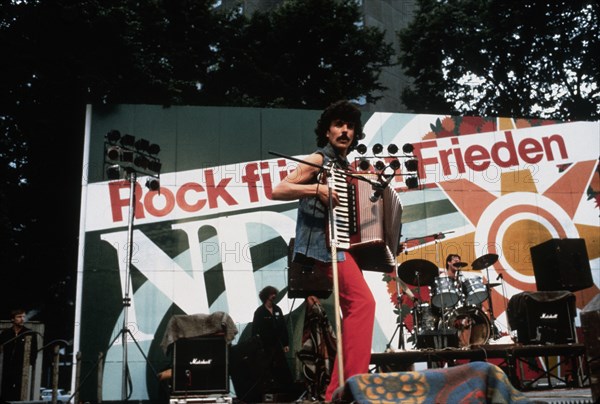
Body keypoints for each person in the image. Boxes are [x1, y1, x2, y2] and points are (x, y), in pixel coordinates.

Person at [272, 100, 376, 401]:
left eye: (350, 126)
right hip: (323, 247)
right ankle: (351, 385)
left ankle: (337, 391)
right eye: (338, 125)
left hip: (344, 246)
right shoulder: (317, 159)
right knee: (363, 304)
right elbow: (278, 190)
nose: (345, 130)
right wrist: (315, 189)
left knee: (356, 309)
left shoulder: (347, 167)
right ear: (327, 131)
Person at [251, 285, 293, 395]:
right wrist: (255, 345)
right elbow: (255, 329)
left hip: (277, 344)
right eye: (271, 294)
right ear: (266, 296)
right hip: (265, 345)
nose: (274, 296)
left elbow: (283, 327)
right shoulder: (259, 312)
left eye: (274, 293)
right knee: (267, 367)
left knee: (281, 366)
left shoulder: (277, 309)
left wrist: (285, 343)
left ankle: (285, 390)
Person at [0, 308, 38, 402]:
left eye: (23, 317)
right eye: (19, 317)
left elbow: (34, 351)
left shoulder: (29, 333)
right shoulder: (5, 334)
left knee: (19, 392)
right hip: (7, 368)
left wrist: (30, 364)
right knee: (5, 391)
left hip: (21, 368)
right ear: (12, 319)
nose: (22, 319)